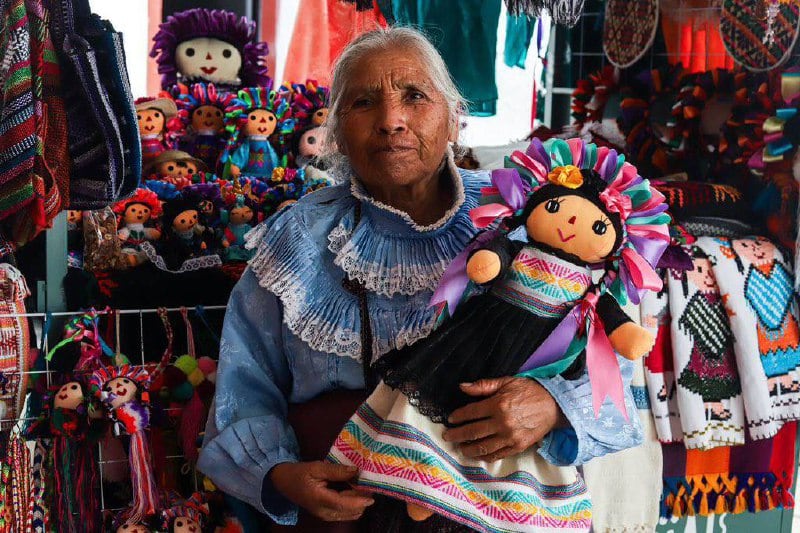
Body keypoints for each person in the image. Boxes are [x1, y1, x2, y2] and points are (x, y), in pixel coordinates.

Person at [198, 26, 643, 531]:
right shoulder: (296, 238)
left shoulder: (525, 219)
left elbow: (616, 378)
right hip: (344, 509)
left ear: (455, 118)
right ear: (337, 131)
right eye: (364, 102)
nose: (392, 122)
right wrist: (280, 475)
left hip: (497, 508)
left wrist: (552, 407)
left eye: (415, 96)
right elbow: (244, 383)